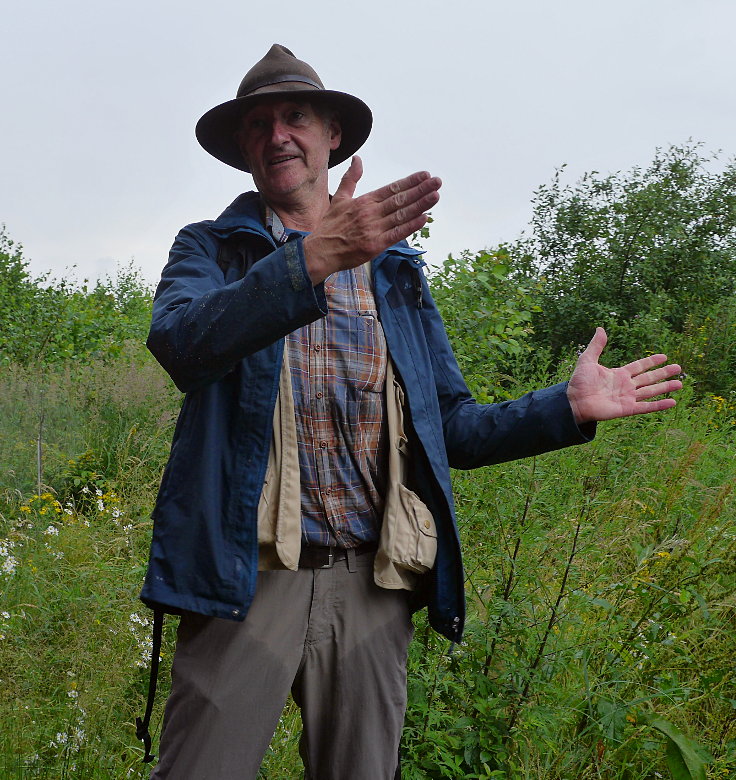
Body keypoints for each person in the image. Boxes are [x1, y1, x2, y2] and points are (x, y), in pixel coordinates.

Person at [138, 44, 683, 780]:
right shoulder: (212, 250)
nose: (277, 136)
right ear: (243, 150)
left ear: (332, 134)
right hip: (247, 580)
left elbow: (450, 427)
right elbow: (181, 343)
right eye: (258, 125)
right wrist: (309, 261)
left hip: (370, 584)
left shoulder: (394, 275)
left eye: (295, 116)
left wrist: (565, 407)